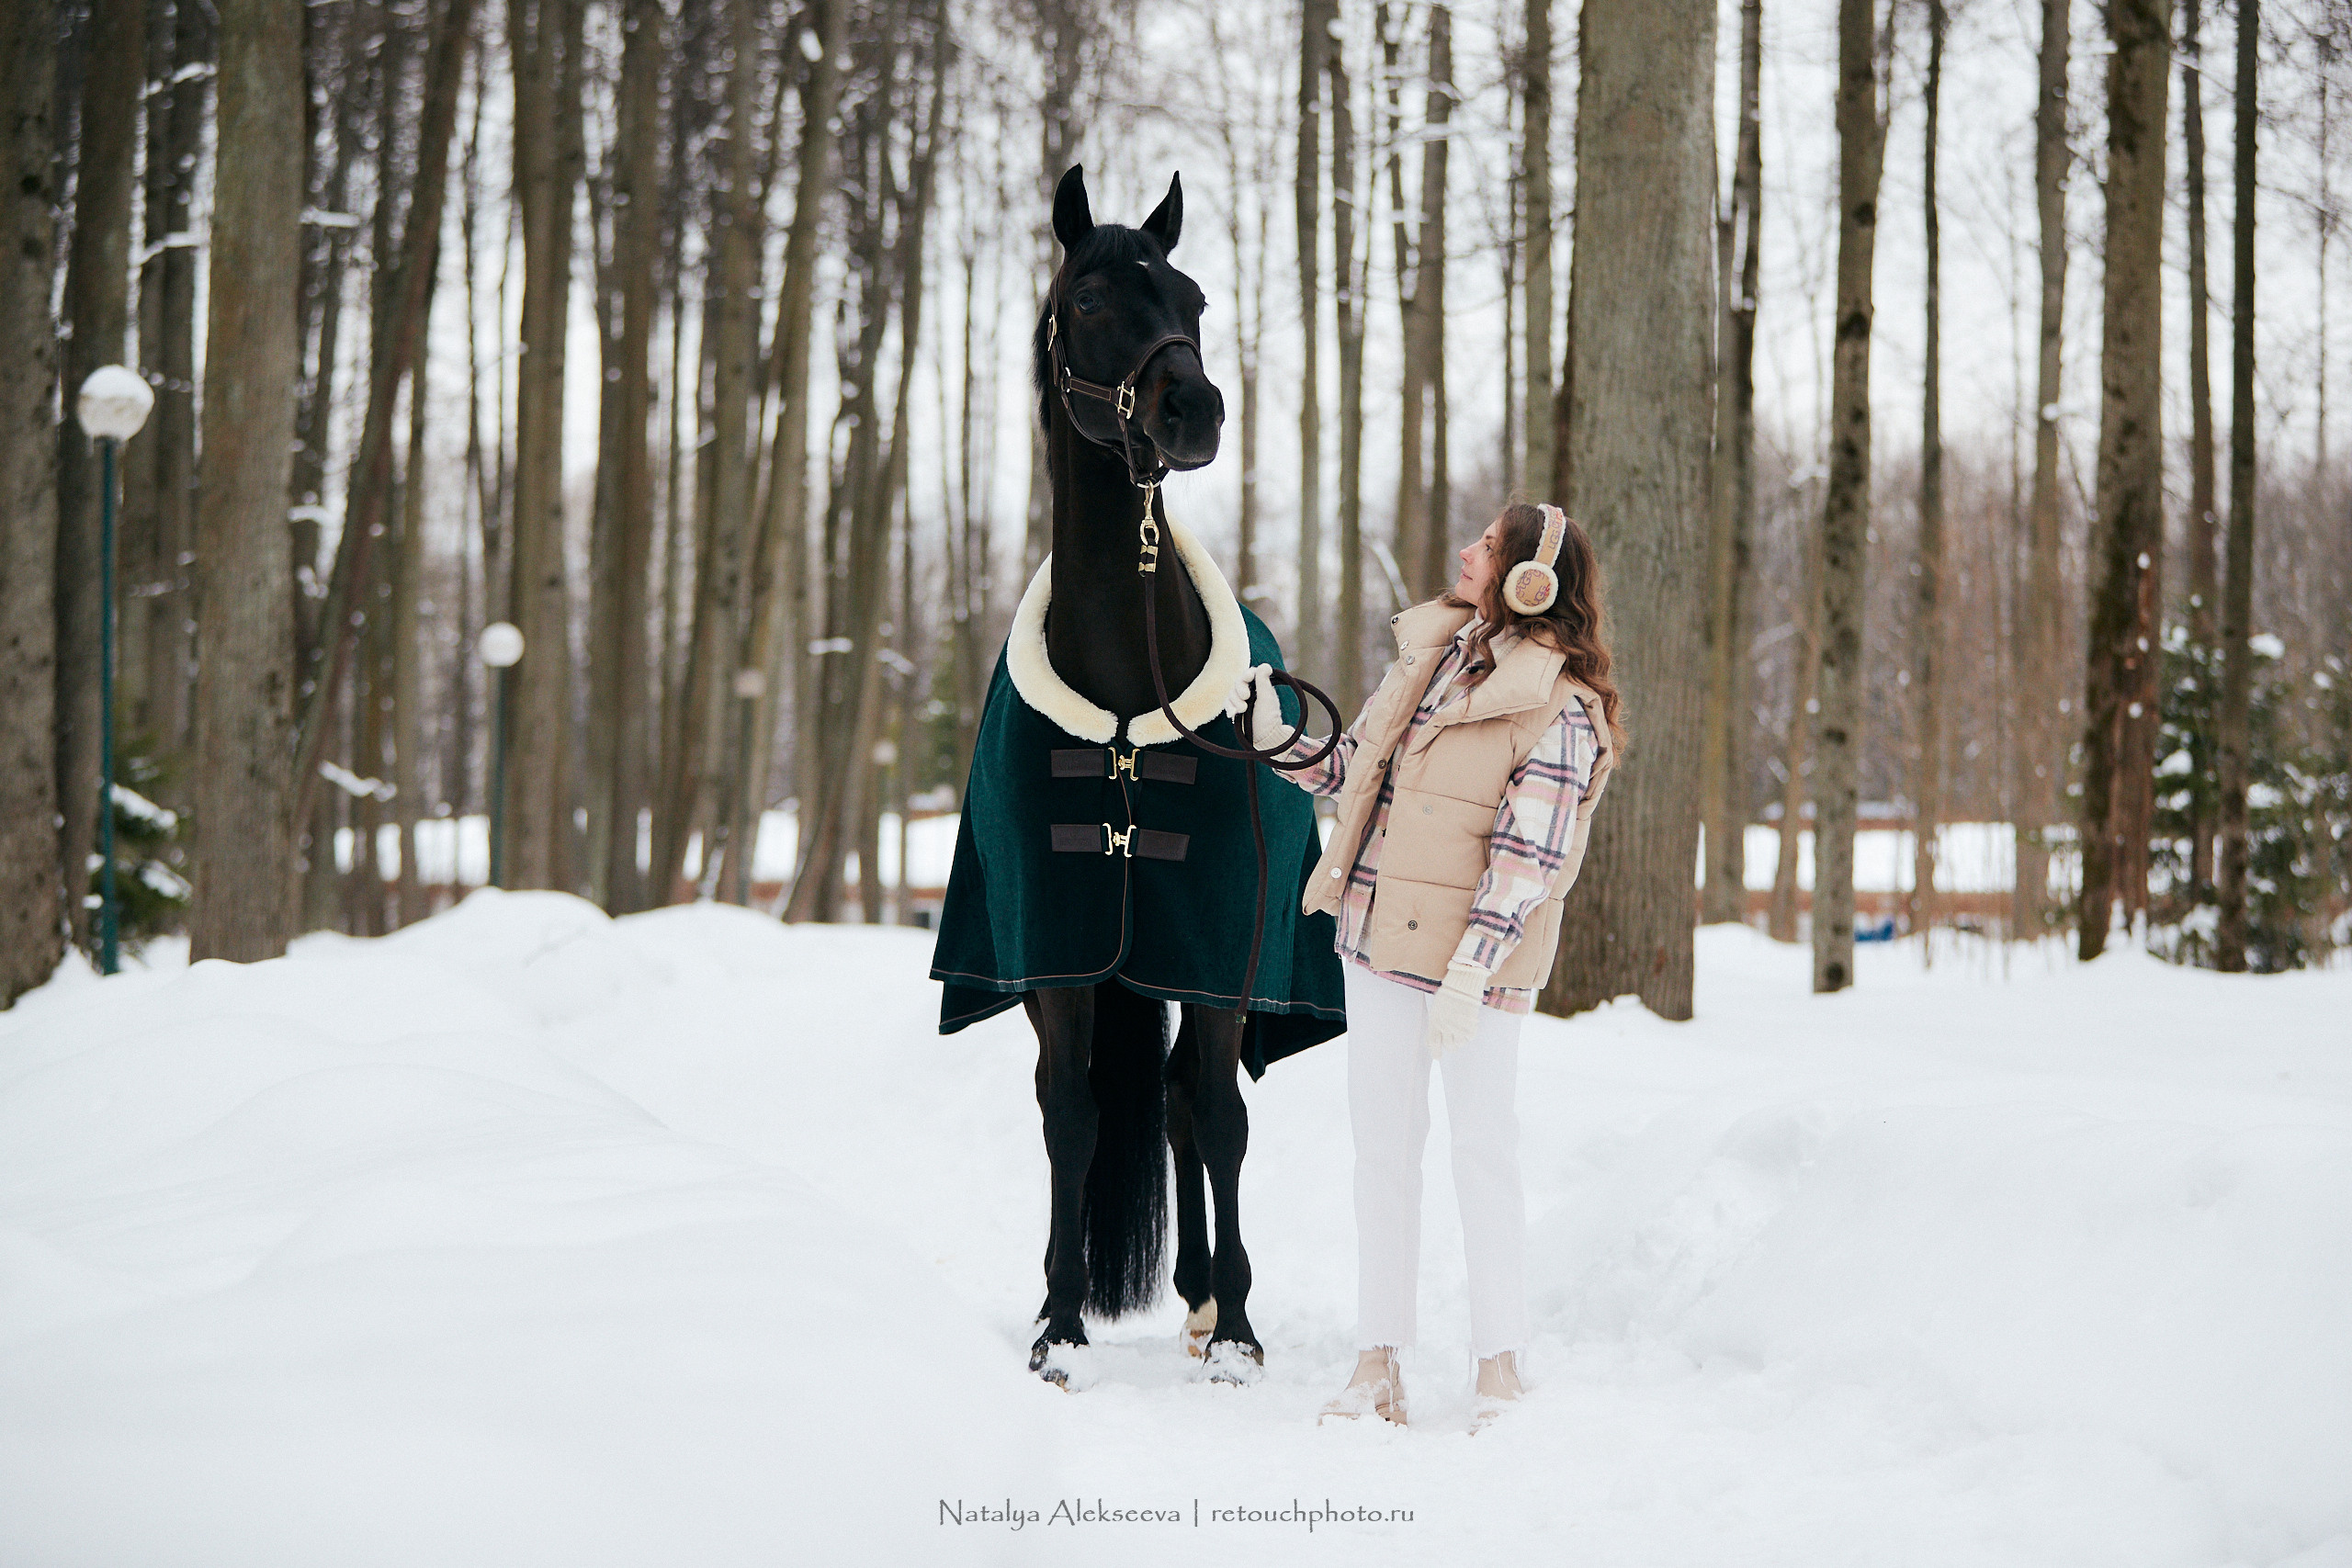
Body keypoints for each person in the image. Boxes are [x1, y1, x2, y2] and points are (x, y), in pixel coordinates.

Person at [1224, 501, 1623, 1430]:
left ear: (1533, 579)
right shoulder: (1433, 658)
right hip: (1376, 942)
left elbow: (1532, 859)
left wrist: (1470, 972)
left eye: (1486, 546)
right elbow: (1355, 769)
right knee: (1382, 1156)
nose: (1463, 553)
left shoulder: (1559, 706)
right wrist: (1274, 735)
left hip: (1474, 972)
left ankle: (1500, 1369)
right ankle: (1378, 1365)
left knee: (1483, 1154)